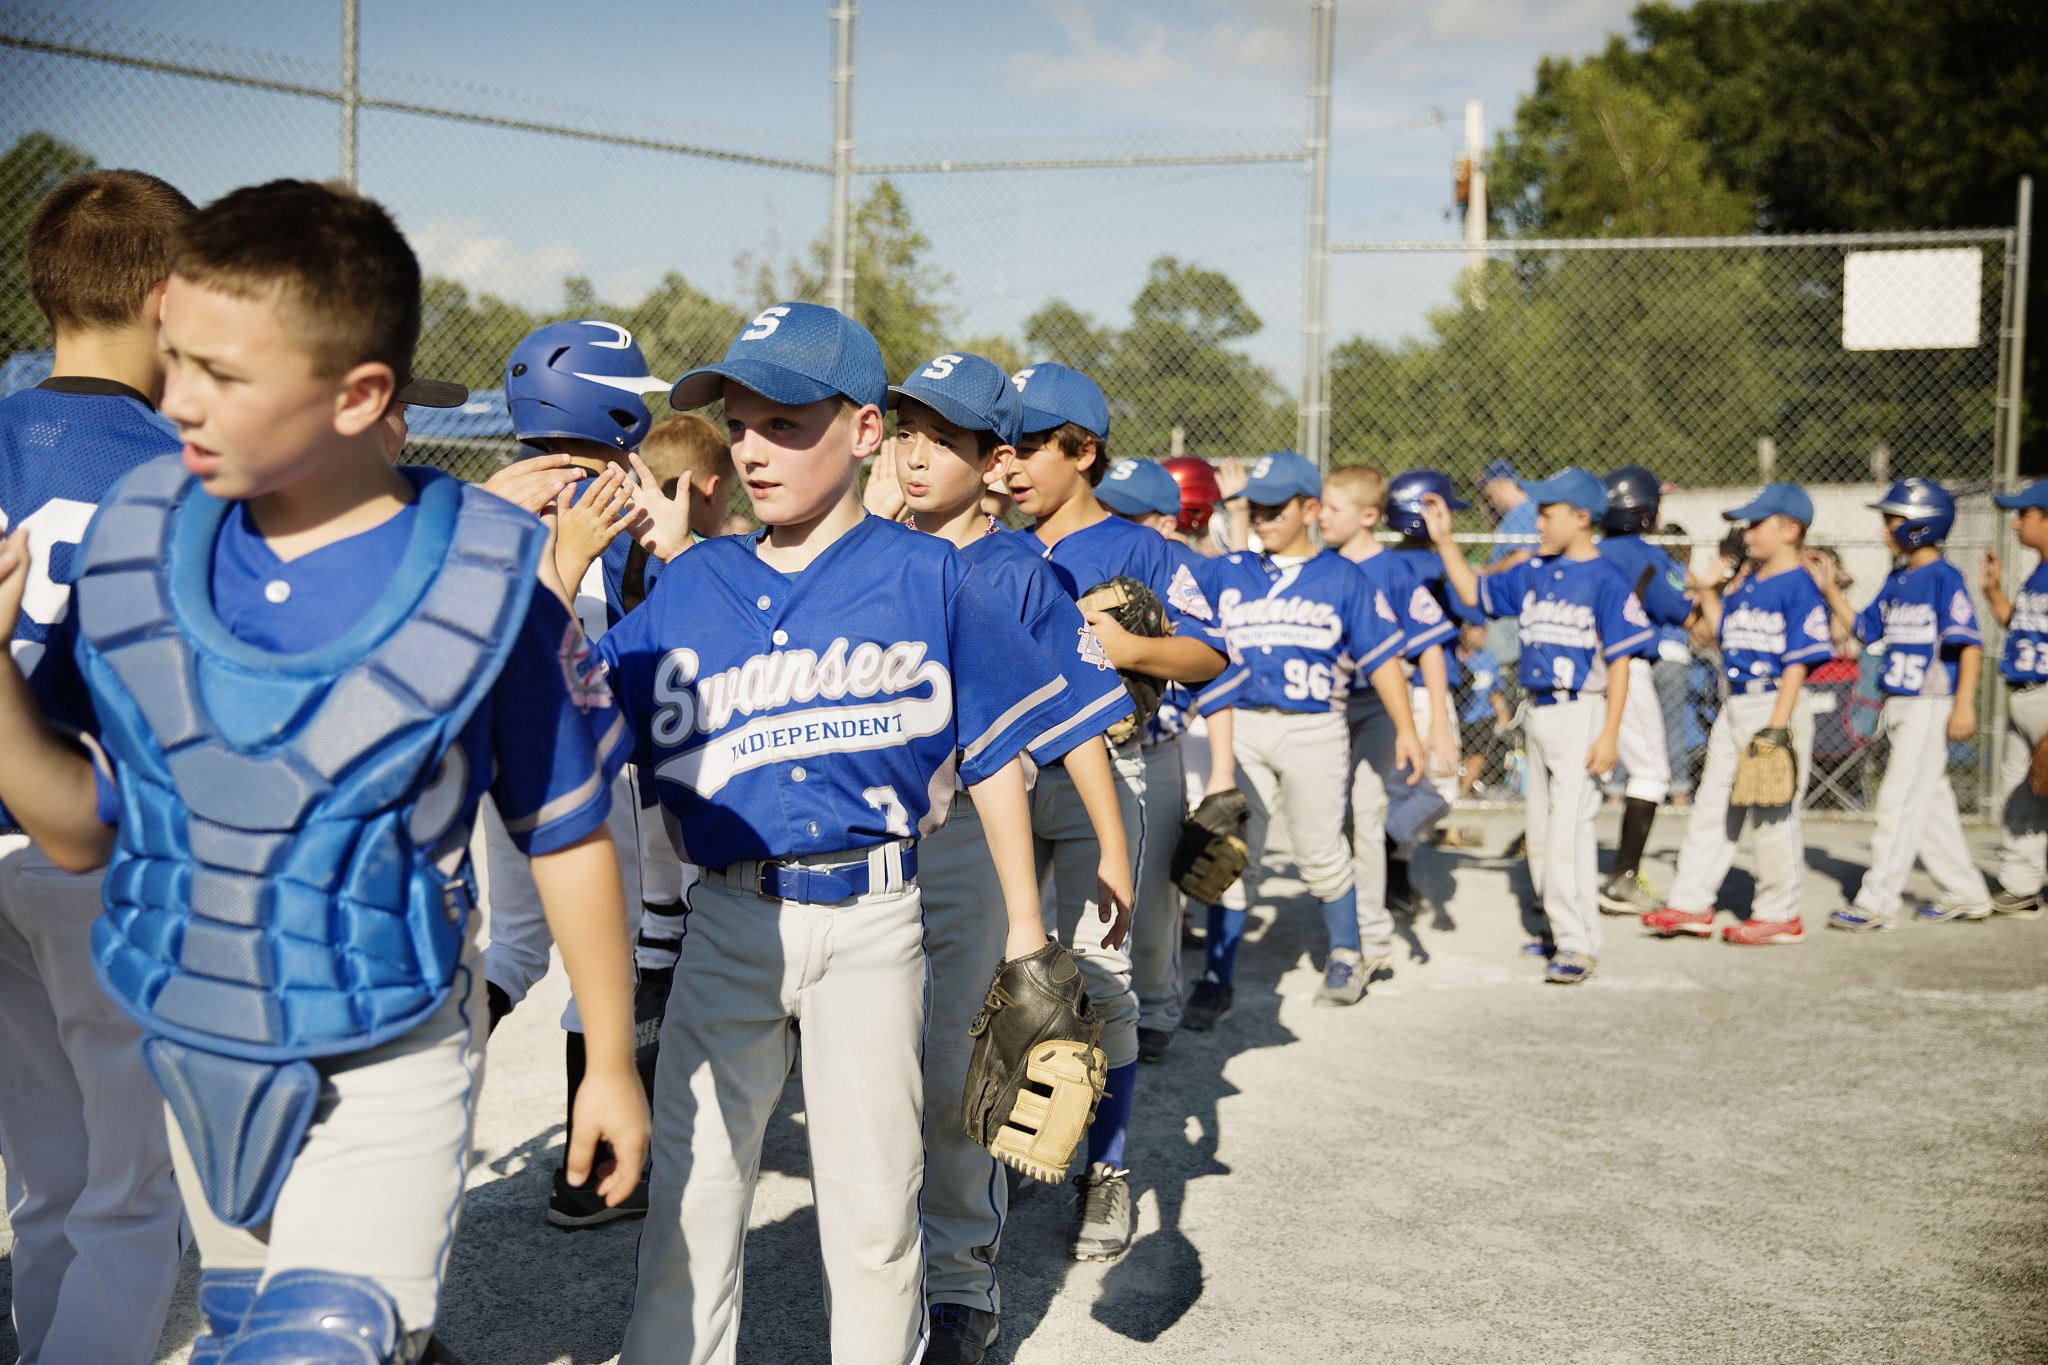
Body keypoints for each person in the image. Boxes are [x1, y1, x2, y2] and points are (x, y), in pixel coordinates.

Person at [0, 178, 648, 1364]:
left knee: (319, 1341)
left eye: (223, 376)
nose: (178, 399)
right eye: (177, 358)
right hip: (202, 1047)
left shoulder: (481, 576)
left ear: (359, 395)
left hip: (389, 1041)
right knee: (254, 1323)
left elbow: (565, 829)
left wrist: (606, 1057)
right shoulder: (148, 548)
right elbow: (89, 830)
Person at [600, 304, 1073, 1363]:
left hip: (873, 916)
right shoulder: (694, 583)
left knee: (870, 1205)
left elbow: (997, 754)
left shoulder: (931, 577)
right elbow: (575, 725)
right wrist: (547, 571)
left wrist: (1025, 935)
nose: (755, 448)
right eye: (740, 424)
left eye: (788, 422)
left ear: (865, 432)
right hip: (728, 917)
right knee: (695, 1194)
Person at [871, 351, 1135, 1364]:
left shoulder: (1017, 568)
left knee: (956, 1074)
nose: (918, 452)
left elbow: (1074, 719)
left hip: (971, 855)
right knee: (873, 1077)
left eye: (946, 437)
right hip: (868, 848)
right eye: (906, 430)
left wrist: (1110, 844)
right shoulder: (868, 551)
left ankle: (960, 1284)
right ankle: (885, 1265)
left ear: (991, 460)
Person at [0, 166, 196, 1365]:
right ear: (173, 299)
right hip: (100, 850)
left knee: (46, 1181)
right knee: (130, 1206)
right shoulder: (180, 465)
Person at [1003, 362, 1228, 1261]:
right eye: (1000, 444)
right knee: (1008, 971)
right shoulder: (992, 543)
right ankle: (1020, 1143)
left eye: (1027, 445)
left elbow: (1209, 655)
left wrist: (1133, 645)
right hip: (1006, 777)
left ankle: (1109, 1169)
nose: (1008, 463)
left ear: (1083, 450)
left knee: (1100, 974)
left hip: (1117, 771)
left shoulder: (1145, 549)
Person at [481, 318, 684, 1228]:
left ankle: (431, 1088)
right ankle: (595, 1171)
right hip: (563, 766)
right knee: (625, 944)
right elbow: (570, 655)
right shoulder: (594, 497)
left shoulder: (493, 493)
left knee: (516, 949)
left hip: (485, 765)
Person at [1193, 451, 1424, 1012]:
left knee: (1320, 852)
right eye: (1258, 507)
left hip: (1315, 726)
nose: (1266, 517)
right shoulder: (1230, 570)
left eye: (1278, 507)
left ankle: (1347, 953)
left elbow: (1386, 658)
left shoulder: (1343, 576)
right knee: (1232, 850)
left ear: (1311, 509)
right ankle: (1217, 976)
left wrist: (1409, 731)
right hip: (1241, 725)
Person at [1421, 468, 1655, 983]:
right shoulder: (1534, 571)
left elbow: (1620, 663)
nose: (1540, 523)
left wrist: (1610, 733)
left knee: (1571, 832)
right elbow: (1473, 593)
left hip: (1583, 710)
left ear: (1582, 518)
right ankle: (1557, 927)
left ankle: (1579, 942)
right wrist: (1444, 541)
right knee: (1545, 833)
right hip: (1540, 710)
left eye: (1548, 515)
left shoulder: (1604, 580)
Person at [1643, 484, 1833, 943]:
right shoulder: (1749, 582)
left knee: (1772, 814)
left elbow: (1798, 660)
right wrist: (1710, 589)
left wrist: (1777, 725)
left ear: (1790, 529)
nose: (1746, 532)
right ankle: (1690, 903)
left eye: (1756, 523)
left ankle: (1780, 911)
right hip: (1736, 702)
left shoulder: (1799, 585)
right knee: (1711, 806)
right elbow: (1724, 634)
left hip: (1774, 703)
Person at [1093, 456, 1235, 1061]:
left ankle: (1156, 1010)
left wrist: (1222, 773)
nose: (1117, 524)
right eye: (1111, 510)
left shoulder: (1178, 567)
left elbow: (1218, 677)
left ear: (1164, 521)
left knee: (1151, 897)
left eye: (1132, 515)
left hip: (1152, 751)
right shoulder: (1072, 553)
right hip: (1074, 756)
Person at [1813, 477, 1992, 928]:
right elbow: (1867, 630)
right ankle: (1966, 892)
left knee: (1897, 800)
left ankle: (1877, 902)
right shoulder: (1899, 579)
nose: (1882, 530)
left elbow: (1969, 642)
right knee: (1929, 803)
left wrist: (1964, 703)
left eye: (1890, 521)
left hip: (1930, 702)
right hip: (1900, 703)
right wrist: (1832, 589)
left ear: (1918, 526)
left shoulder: (1943, 578)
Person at [1317, 463, 1455, 985]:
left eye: (1333, 507)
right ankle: (1346, 928)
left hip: (1378, 708)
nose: (1321, 516)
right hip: (1327, 708)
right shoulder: (1321, 565)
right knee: (1335, 822)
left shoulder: (1395, 570)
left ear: (1369, 515)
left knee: (1367, 816)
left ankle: (1371, 940)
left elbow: (1431, 648)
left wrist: (1435, 722)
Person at [1381, 469, 1487, 911]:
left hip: (1388, 692)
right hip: (1426, 692)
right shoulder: (1432, 563)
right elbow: (1475, 606)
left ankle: (1392, 882)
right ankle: (1378, 848)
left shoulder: (1380, 560)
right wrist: (1450, 549)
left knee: (1400, 794)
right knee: (1439, 792)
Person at [1592, 464, 1695, 915]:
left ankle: (1555, 876)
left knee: (1576, 771)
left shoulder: (1589, 550)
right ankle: (1624, 879)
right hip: (1624, 667)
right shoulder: (1646, 555)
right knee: (1651, 773)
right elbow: (1682, 613)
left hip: (1579, 667)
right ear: (1642, 513)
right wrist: (1720, 579)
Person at [1981, 479, 2048, 918]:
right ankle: (2021, 884)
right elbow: (2021, 627)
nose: (2017, 521)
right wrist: (1992, 591)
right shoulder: (2038, 571)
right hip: (2022, 693)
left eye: (2025, 513)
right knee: (2018, 794)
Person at [1454, 623, 1512, 792]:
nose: (1482, 633)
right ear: (1464, 632)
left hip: (1480, 715)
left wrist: (1503, 714)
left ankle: (1462, 791)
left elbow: (1496, 691)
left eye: (1483, 629)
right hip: (1457, 714)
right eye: (1476, 629)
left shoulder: (1488, 658)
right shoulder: (1453, 657)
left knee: (1480, 748)